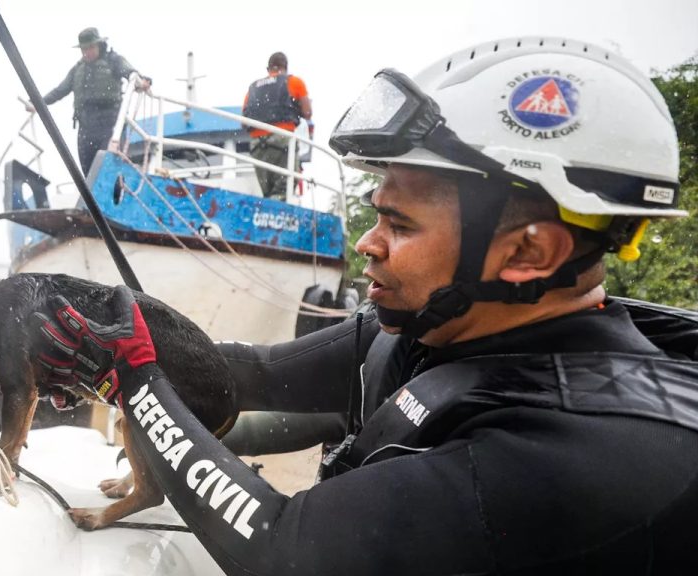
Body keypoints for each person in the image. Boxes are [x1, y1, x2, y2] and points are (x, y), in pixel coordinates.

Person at [35, 37, 698, 574]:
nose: (366, 243)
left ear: (530, 252)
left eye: (399, 225)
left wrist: (140, 384)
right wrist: (112, 340)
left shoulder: (585, 450)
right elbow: (253, 371)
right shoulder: (432, 328)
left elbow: (280, 548)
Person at [31, 27, 151, 173]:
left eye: (91, 47)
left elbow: (131, 73)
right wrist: (38, 103)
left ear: (99, 45)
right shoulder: (77, 70)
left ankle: (117, 186)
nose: (87, 52)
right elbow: (60, 90)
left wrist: (142, 81)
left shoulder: (113, 61)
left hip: (109, 123)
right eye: (84, 49)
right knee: (88, 173)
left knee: (108, 166)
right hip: (86, 128)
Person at [242, 52, 313, 201]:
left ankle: (269, 207)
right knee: (285, 186)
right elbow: (307, 113)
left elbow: (244, 122)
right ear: (285, 67)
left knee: (267, 191)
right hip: (282, 141)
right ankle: (275, 210)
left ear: (268, 68)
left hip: (257, 146)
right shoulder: (294, 82)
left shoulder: (252, 88)